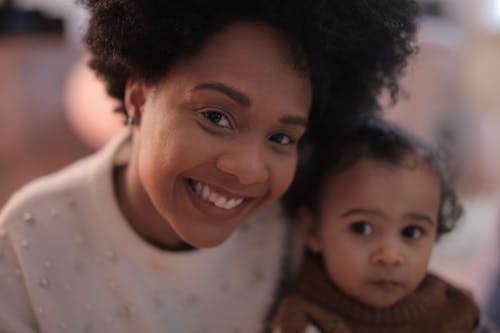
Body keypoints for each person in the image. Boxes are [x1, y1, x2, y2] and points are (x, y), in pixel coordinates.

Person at [0, 1, 419, 332]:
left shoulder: (298, 224)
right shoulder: (26, 242)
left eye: (281, 138)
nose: (250, 170)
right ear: (139, 98)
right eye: (216, 117)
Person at [271, 118, 484, 333]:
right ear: (313, 231)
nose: (390, 255)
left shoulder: (455, 312)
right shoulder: (302, 320)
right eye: (362, 228)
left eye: (411, 232)